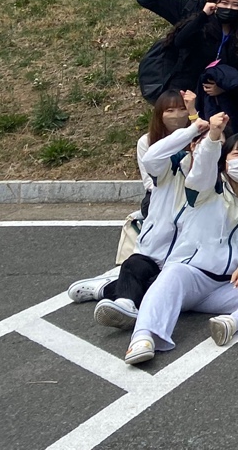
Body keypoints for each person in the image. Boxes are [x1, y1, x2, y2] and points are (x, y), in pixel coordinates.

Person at [124, 114, 238, 361]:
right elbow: (203, 166)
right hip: (192, 276)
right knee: (172, 274)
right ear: (224, 161)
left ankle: (233, 322)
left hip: (225, 285)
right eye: (236, 154)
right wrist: (212, 136)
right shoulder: (207, 187)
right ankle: (144, 337)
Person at [68, 92, 208, 327]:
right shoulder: (153, 150)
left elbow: (209, 143)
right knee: (134, 265)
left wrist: (194, 113)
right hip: (159, 212)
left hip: (186, 245)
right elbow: (152, 171)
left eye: (181, 109)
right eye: (169, 110)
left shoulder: (201, 151)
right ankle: (125, 304)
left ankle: (106, 289)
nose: (176, 115)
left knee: (163, 286)